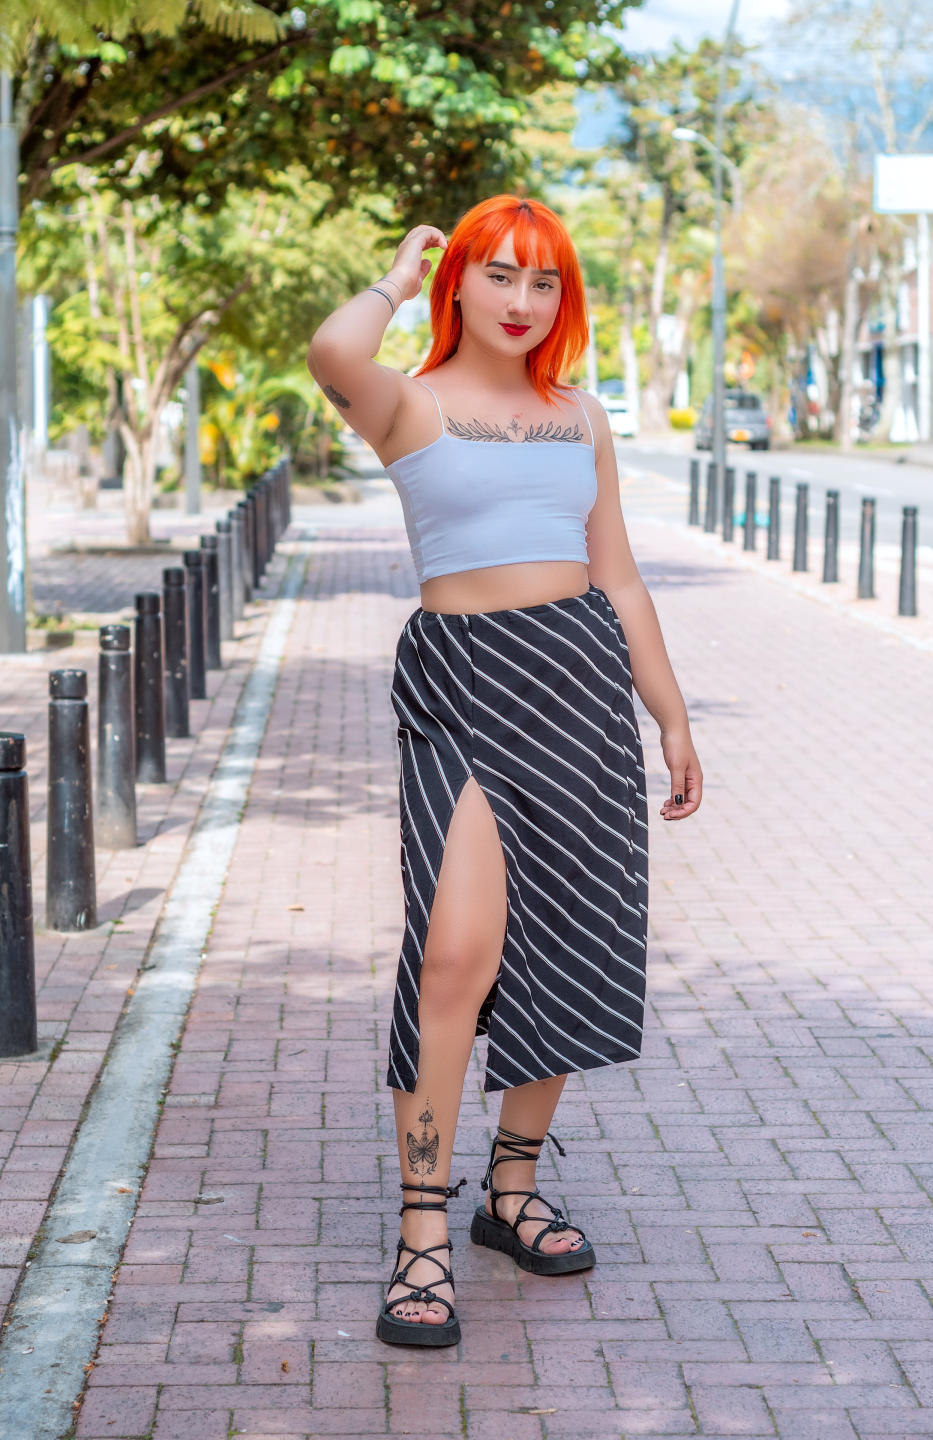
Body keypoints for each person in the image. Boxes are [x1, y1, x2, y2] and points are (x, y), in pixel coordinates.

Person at [306, 194, 702, 1349]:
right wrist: (396, 278)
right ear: (460, 284)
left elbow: (618, 577)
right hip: (465, 681)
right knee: (452, 952)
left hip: (579, 681)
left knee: (568, 942)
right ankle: (422, 1229)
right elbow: (331, 351)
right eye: (500, 276)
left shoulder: (581, 416)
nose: (523, 301)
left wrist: (671, 717)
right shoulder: (409, 402)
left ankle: (511, 1193)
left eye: (544, 282)